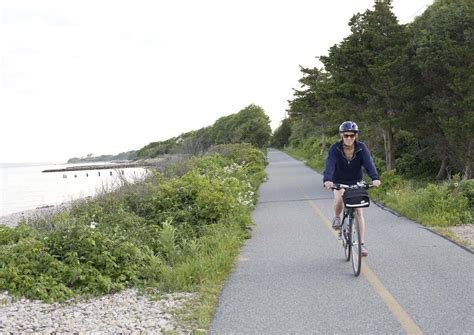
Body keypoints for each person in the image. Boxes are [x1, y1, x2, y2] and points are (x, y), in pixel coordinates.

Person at [323, 121, 381, 257]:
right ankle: (337, 218)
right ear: (341, 135)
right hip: (338, 181)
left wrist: (375, 178)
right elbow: (330, 164)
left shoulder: (361, 148)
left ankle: (361, 244)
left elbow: (369, 163)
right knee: (339, 197)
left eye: (352, 135)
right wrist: (327, 180)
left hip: (356, 181)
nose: (349, 138)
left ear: (356, 136)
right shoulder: (334, 148)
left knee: (359, 211)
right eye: (346, 135)